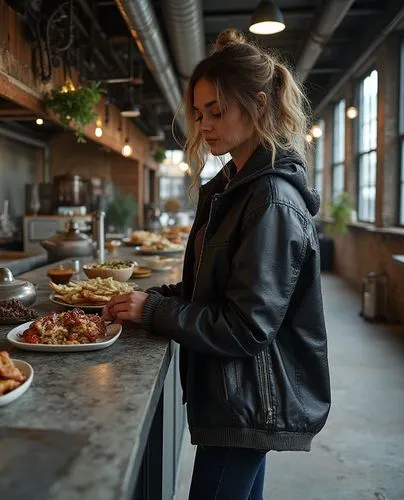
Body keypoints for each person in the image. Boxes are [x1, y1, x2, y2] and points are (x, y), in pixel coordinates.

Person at [102, 28, 331, 500]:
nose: (203, 125)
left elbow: (246, 327)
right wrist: (150, 299)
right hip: (238, 393)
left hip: (249, 396)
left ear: (260, 105)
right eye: (199, 113)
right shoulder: (235, 185)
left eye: (217, 112)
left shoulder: (269, 200)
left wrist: (152, 310)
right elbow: (213, 288)